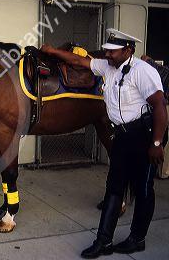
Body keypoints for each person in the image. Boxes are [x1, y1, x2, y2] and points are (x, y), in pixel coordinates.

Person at [41, 28, 167, 258]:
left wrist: (157, 143)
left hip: (144, 136)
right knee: (114, 188)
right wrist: (52, 51)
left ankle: (137, 239)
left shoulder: (143, 71)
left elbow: (159, 106)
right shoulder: (107, 67)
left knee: (143, 189)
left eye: (113, 51)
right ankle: (104, 241)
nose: (107, 55)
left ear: (128, 50)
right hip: (121, 135)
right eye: (107, 51)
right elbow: (79, 60)